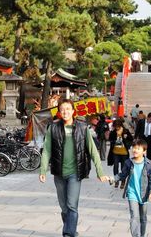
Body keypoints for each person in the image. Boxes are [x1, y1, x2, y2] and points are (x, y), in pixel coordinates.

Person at [40, 99, 110, 237]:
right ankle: (72, 230)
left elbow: (92, 150)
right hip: (59, 173)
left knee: (72, 205)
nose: (65, 111)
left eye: (67, 109)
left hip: (75, 172)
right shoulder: (53, 128)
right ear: (59, 112)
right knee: (64, 208)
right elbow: (47, 149)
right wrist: (42, 170)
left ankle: (68, 234)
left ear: (73, 111)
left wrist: (100, 171)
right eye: (62, 109)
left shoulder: (82, 128)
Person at [114, 139, 151, 237]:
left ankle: (142, 235)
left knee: (143, 218)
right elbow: (122, 175)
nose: (135, 150)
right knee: (134, 216)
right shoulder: (129, 162)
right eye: (134, 148)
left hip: (144, 194)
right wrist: (112, 178)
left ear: (144, 151)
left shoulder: (149, 165)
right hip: (132, 192)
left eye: (138, 148)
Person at [107, 119, 134, 188]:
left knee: (123, 168)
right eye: (115, 126)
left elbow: (131, 139)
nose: (117, 128)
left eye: (118, 126)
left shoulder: (125, 131)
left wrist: (126, 138)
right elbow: (110, 139)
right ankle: (116, 180)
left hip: (124, 152)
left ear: (120, 125)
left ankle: (123, 181)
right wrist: (114, 140)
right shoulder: (113, 132)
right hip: (115, 152)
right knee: (115, 166)